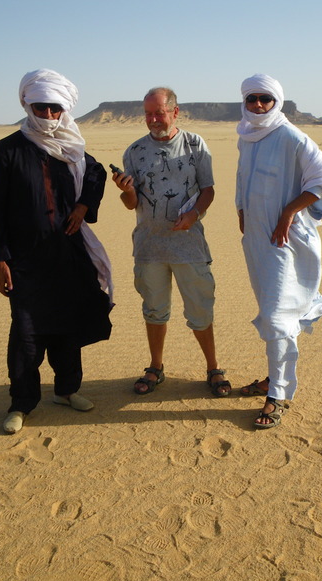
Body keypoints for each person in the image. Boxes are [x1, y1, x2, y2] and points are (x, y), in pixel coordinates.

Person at [0, 69, 113, 434]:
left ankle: (67, 391)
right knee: (26, 333)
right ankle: (21, 403)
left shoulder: (71, 146)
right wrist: (0, 259)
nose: (49, 116)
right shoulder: (8, 149)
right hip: (25, 261)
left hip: (69, 256)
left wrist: (84, 206)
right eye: (41, 108)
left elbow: (96, 173)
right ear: (28, 105)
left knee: (67, 327)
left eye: (55, 109)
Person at [235, 73, 322, 429]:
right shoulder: (247, 135)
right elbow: (242, 178)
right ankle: (272, 378)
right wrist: (241, 211)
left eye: (266, 99)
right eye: (252, 99)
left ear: (277, 101)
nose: (259, 105)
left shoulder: (291, 136)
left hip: (286, 241)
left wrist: (288, 211)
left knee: (278, 316)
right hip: (257, 241)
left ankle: (277, 394)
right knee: (271, 312)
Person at [111, 87, 230, 397]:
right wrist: (125, 189)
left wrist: (194, 215)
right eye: (148, 114)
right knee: (154, 309)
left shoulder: (195, 145)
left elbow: (208, 189)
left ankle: (213, 368)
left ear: (175, 112)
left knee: (200, 309)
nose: (152, 119)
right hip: (150, 247)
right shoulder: (135, 151)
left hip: (189, 245)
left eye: (159, 113)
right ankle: (155, 366)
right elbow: (131, 203)